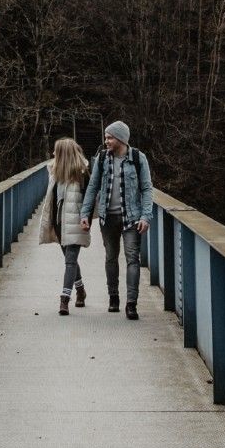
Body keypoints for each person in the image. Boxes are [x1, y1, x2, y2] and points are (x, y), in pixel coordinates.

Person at [78, 119, 153, 320]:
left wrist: (146, 216)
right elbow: (92, 187)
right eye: (106, 137)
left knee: (132, 259)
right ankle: (113, 297)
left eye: (110, 137)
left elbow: (147, 189)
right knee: (111, 257)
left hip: (132, 218)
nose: (106, 141)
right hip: (107, 217)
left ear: (120, 139)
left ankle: (131, 304)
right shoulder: (102, 159)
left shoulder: (138, 158)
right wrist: (85, 214)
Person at [47, 138, 92, 315]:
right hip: (59, 224)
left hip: (76, 223)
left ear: (64, 154)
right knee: (70, 260)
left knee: (70, 260)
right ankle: (81, 290)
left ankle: (64, 300)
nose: (52, 154)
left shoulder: (83, 173)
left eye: (56, 151)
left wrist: (85, 218)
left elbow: (90, 199)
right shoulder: (54, 172)